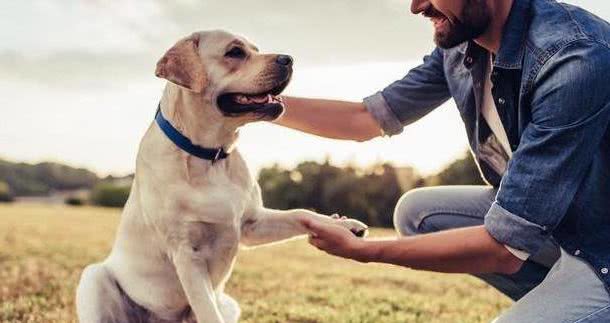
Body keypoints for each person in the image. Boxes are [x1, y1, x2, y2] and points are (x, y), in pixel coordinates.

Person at [276, 0, 610, 321]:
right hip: (564, 226)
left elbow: (503, 248)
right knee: (418, 214)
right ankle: (568, 301)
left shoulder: (572, 57)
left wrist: (362, 250)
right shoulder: (463, 46)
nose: (416, 6)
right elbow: (364, 119)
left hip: (601, 247)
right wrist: (259, 104)